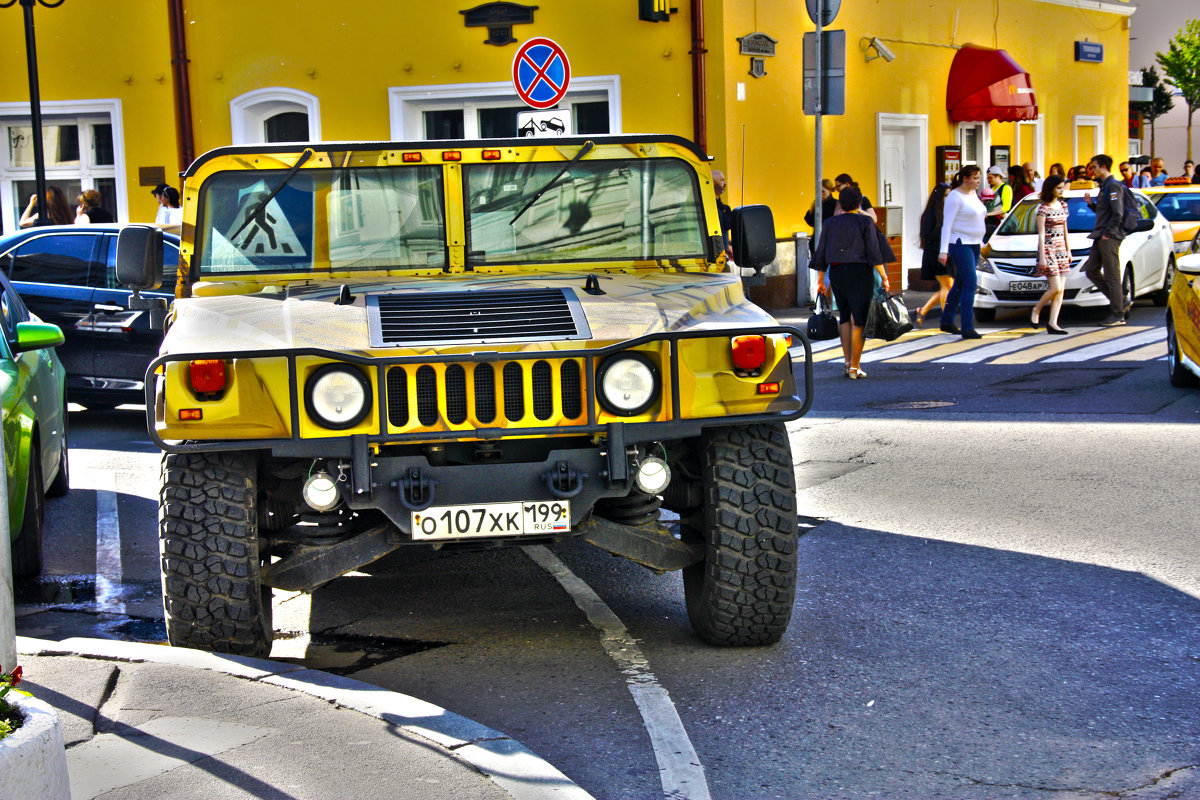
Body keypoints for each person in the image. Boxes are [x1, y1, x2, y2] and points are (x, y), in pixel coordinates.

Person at [812, 185, 888, 379]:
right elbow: (873, 251)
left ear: (840, 203)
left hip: (837, 272)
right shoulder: (865, 222)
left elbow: (821, 251)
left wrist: (821, 279)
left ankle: (847, 364)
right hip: (860, 272)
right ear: (859, 203)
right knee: (859, 319)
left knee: (845, 316)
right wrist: (884, 277)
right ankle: (855, 366)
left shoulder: (830, 223)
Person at [938, 165, 986, 340]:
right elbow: (947, 225)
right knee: (971, 282)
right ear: (965, 179)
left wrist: (982, 240)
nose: (978, 182)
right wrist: (943, 250)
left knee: (960, 283)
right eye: (974, 178)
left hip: (974, 243)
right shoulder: (955, 197)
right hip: (960, 243)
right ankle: (967, 326)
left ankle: (947, 320)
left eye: (978, 178)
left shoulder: (973, 195)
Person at [1082, 154, 1128, 327]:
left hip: (1109, 236)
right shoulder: (1104, 186)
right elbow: (1105, 212)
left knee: (1112, 275)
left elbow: (1118, 213)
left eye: (1093, 167)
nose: (1091, 170)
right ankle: (1120, 302)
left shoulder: (1114, 186)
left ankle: (1117, 314)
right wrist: (1091, 205)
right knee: (1091, 270)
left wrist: (1108, 233)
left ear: (1102, 166)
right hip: (1100, 234)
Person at [1030, 175, 1071, 335]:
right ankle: (1037, 309)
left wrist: (1068, 250)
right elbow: (1041, 234)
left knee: (1061, 290)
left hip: (1061, 249)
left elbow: (1065, 229)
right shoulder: (1043, 209)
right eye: (1058, 188)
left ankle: (1053, 323)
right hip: (1048, 249)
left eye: (1063, 187)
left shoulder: (1063, 206)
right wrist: (1042, 256)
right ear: (1051, 188)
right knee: (1056, 287)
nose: (1061, 191)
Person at [915, 182, 952, 328]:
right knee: (948, 286)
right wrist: (946, 231)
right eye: (945, 196)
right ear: (938, 197)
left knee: (947, 286)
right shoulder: (931, 214)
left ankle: (923, 310)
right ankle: (946, 318)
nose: (948, 199)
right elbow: (927, 234)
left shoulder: (945, 212)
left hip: (944, 253)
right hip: (934, 254)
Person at [804, 179, 838, 255]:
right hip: (817, 243)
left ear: (829, 191)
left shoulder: (836, 204)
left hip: (830, 243)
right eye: (818, 191)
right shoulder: (817, 204)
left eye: (823, 191)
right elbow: (809, 221)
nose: (820, 194)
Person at [711, 170, 734, 261]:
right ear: (712, 183)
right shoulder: (711, 207)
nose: (725, 183)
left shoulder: (720, 206)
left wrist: (727, 246)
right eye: (721, 180)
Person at [983, 165, 1011, 239]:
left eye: (991, 177)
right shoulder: (992, 188)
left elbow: (1006, 207)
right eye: (988, 178)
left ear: (998, 176)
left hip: (1000, 222)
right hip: (991, 221)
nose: (989, 180)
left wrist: (989, 213)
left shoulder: (1005, 188)